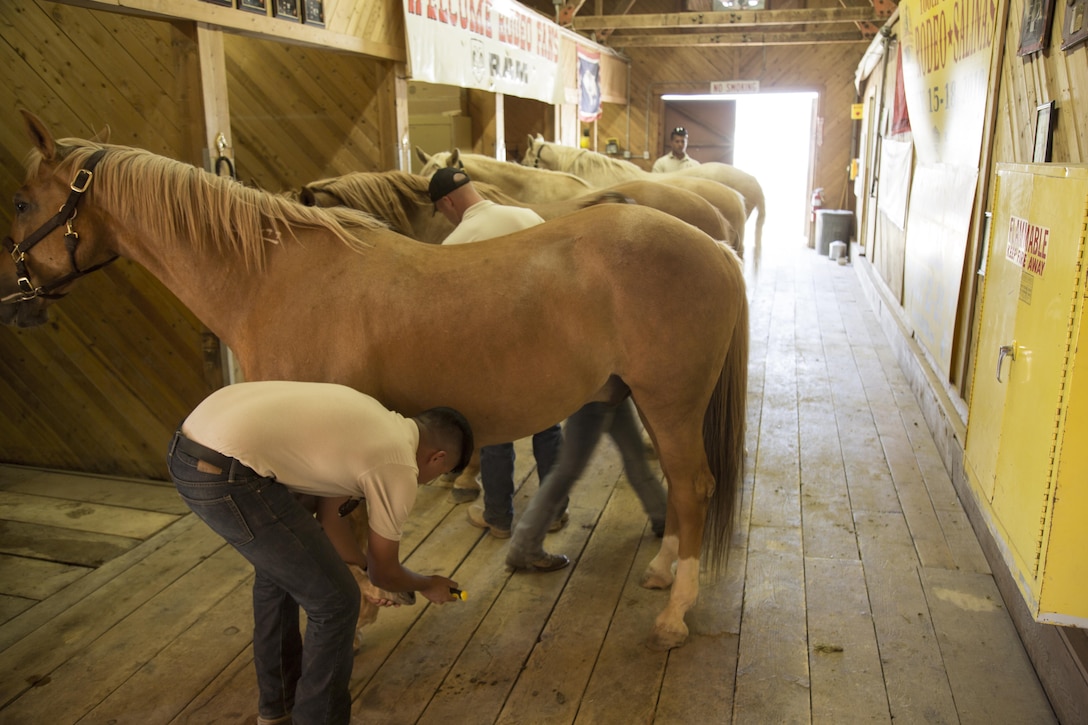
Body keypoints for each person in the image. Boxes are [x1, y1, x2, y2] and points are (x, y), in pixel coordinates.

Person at [166, 380, 472, 725]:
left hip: (188, 447)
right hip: (225, 473)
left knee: (280, 573)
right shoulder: (399, 466)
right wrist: (426, 583)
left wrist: (361, 572)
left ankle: (277, 710)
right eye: (438, 474)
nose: (427, 480)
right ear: (438, 457)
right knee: (338, 603)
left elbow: (332, 520)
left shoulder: (371, 418)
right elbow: (386, 571)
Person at [428, 166, 566, 545]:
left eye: (442, 211)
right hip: (543, 345)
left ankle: (499, 518)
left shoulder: (455, 244)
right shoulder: (528, 218)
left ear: (447, 202)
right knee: (548, 428)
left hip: (491, 356)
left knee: (493, 436)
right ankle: (554, 513)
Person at [504, 398, 668, 572]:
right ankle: (523, 546)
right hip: (598, 394)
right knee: (566, 472)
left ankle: (665, 519)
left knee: (635, 458)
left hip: (612, 390)